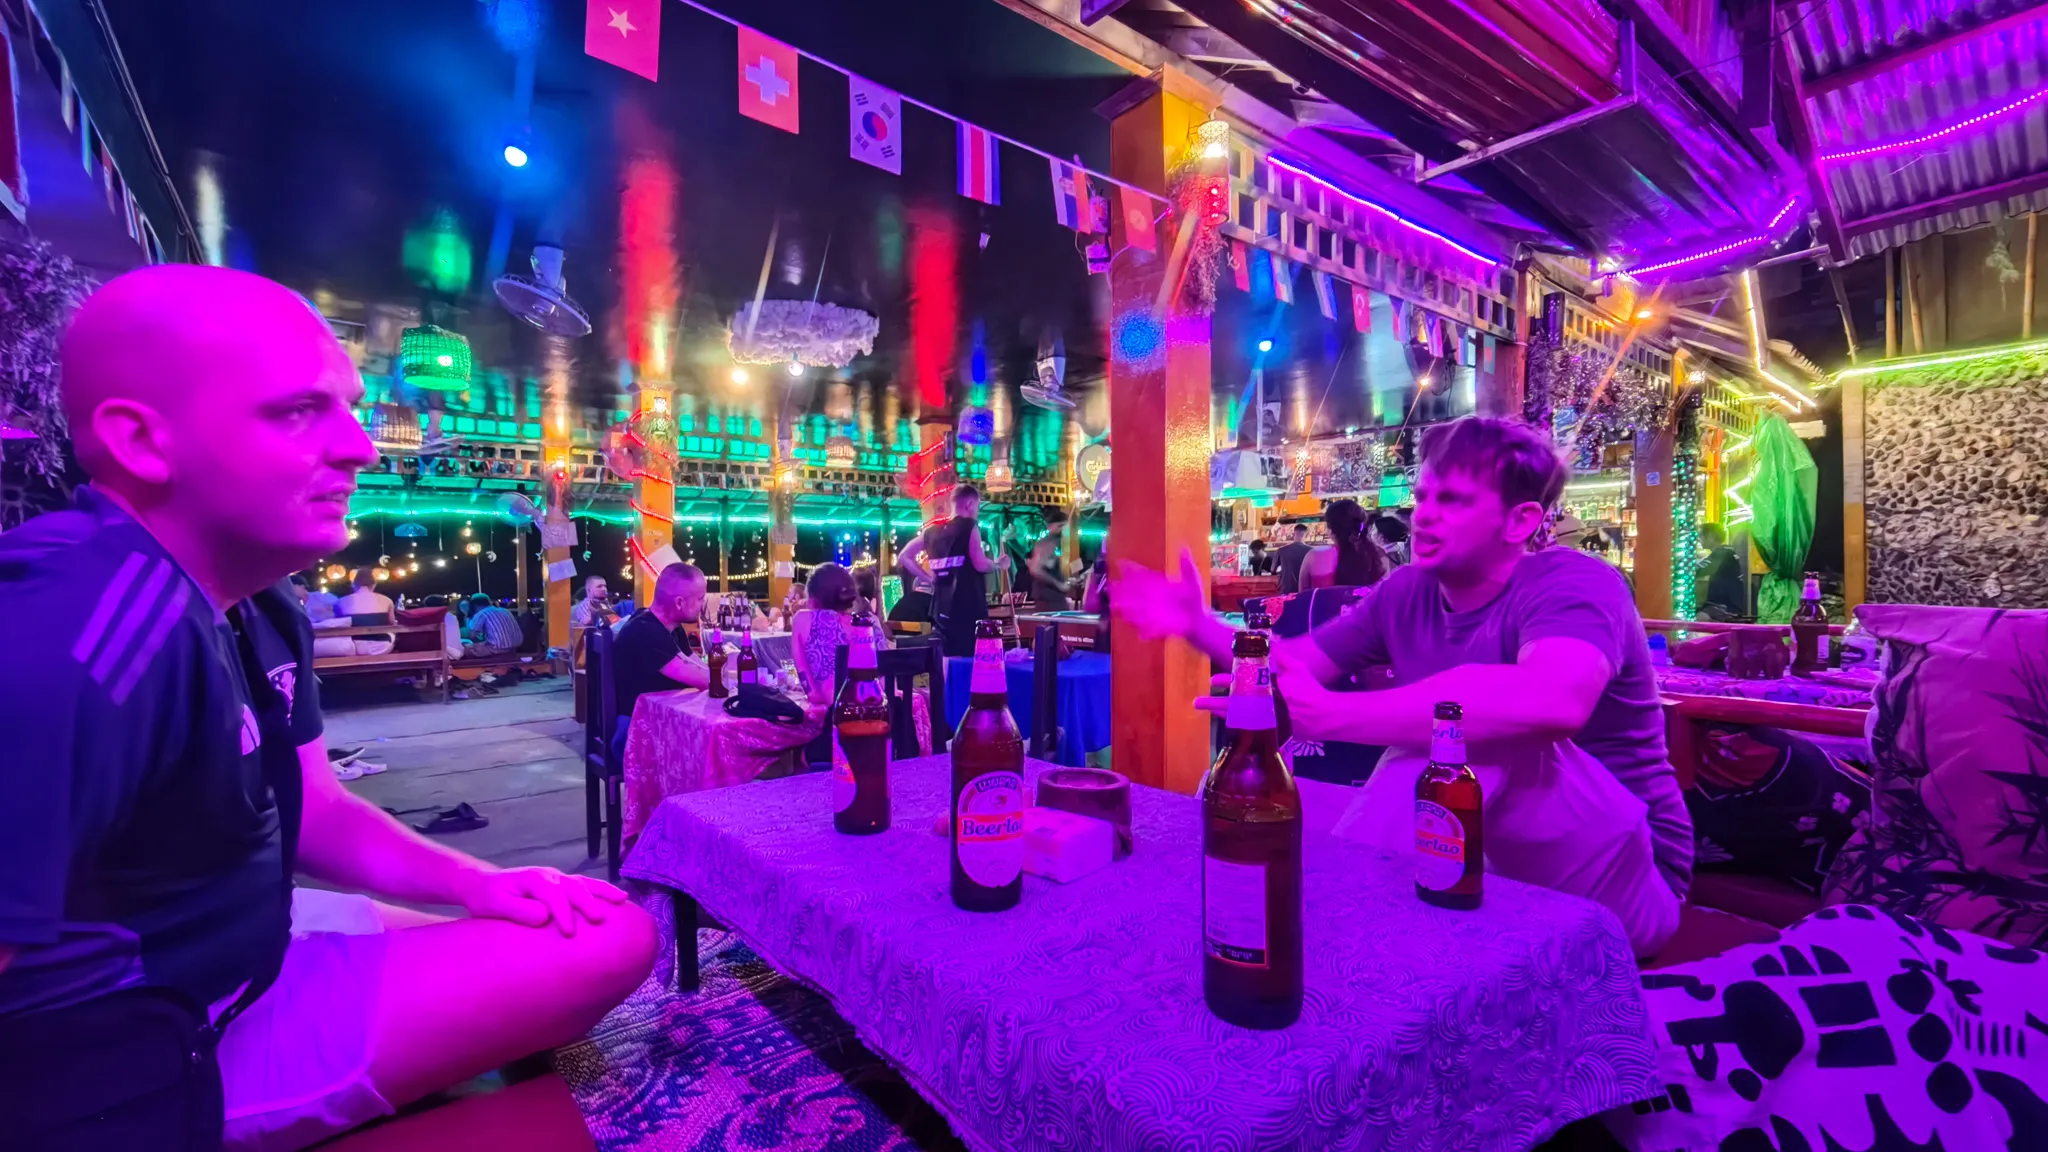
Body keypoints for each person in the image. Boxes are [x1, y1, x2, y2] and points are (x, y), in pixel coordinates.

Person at [0, 265, 655, 1151]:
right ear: (142, 442)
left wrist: (483, 881)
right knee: (609, 941)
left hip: (257, 936)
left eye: (347, 408)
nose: (358, 446)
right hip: (163, 1044)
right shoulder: (74, 625)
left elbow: (316, 811)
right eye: (298, 412)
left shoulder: (261, 607)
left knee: (575, 913)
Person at [1113, 415, 1689, 957]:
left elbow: (1552, 701)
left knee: (1465, 746)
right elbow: (1296, 668)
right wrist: (1199, 626)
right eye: (1423, 498)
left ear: (1521, 521)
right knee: (1298, 805)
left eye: (1454, 501)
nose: (1425, 516)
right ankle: (1311, 936)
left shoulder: (1575, 581)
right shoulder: (1408, 591)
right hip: (1487, 854)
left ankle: (1348, 942)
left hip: (1627, 873)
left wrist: (1332, 717)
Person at [610, 562, 711, 755]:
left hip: (658, 717)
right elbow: (704, 680)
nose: (702, 605)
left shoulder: (672, 626)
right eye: (700, 599)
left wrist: (722, 673)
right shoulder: (646, 631)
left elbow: (697, 665)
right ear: (680, 603)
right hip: (633, 731)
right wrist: (735, 673)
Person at [907, 484, 1008, 657]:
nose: (977, 512)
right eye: (977, 507)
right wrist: (999, 564)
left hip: (940, 609)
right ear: (969, 504)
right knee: (970, 657)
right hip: (967, 607)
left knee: (945, 657)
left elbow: (905, 556)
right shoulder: (969, 526)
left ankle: (947, 684)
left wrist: (927, 578)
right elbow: (979, 563)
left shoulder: (931, 532)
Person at [791, 563, 892, 700]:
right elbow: (889, 684)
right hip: (884, 710)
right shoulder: (872, 621)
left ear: (814, 597)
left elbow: (814, 695)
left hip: (843, 715)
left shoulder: (803, 619)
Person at [1300, 497, 1389, 590]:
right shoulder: (1379, 555)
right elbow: (1385, 597)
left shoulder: (1313, 557)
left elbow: (1302, 599)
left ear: (1330, 530)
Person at [887, 523, 934, 625]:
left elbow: (903, 557)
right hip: (923, 637)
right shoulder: (933, 609)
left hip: (895, 637)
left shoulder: (900, 606)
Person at [1699, 522, 1747, 619]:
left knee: (1697, 618)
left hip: (1725, 608)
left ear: (1711, 536)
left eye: (1701, 536)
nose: (1699, 539)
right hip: (1723, 605)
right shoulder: (1726, 552)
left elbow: (1701, 569)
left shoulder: (1723, 553)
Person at [1027, 508, 1071, 610]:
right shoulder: (1047, 544)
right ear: (1050, 526)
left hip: (1052, 597)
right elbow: (1035, 569)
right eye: (1060, 526)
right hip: (1049, 597)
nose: (1063, 529)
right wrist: (1058, 584)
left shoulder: (1056, 544)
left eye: (1065, 526)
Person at [462, 592, 523, 659]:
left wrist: (467, 615)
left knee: (463, 648)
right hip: (514, 648)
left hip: (496, 648)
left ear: (474, 605)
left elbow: (472, 634)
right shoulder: (505, 611)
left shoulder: (482, 613)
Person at [1273, 522, 1312, 594]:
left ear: (1293, 534)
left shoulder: (1281, 550)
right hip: (1304, 589)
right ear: (1306, 535)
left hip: (1285, 589)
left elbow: (1273, 570)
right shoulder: (1311, 551)